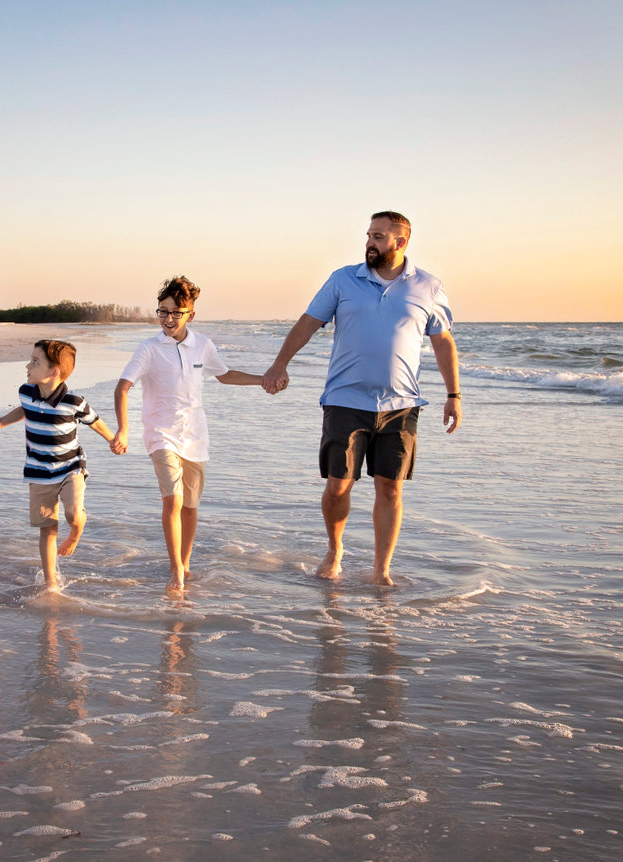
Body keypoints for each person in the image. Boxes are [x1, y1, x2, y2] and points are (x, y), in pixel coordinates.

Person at [261, 210, 461, 586]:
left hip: (401, 406)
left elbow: (443, 341)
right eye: (369, 235)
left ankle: (381, 569)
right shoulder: (342, 280)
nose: (370, 242)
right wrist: (279, 364)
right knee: (338, 484)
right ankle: (335, 551)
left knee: (390, 487)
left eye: (379, 236)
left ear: (401, 242)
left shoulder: (428, 287)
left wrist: (454, 394)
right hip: (345, 400)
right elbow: (307, 323)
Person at [113, 276, 267, 593]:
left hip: (195, 436)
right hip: (160, 435)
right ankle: (176, 573)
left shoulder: (203, 345)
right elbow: (123, 387)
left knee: (190, 506)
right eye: (162, 312)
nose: (168, 319)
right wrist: (124, 429)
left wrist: (262, 380)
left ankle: (185, 563)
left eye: (175, 312)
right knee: (173, 500)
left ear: (190, 315)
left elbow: (225, 376)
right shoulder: (149, 348)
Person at [0, 339, 117, 592]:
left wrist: (114, 439)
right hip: (38, 472)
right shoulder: (27, 392)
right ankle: (51, 583)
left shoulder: (74, 402)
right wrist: (1, 422)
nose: (28, 365)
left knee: (72, 513)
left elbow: (96, 422)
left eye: (35, 361)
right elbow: (24, 410)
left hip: (71, 468)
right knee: (47, 528)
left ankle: (75, 532)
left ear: (53, 372)